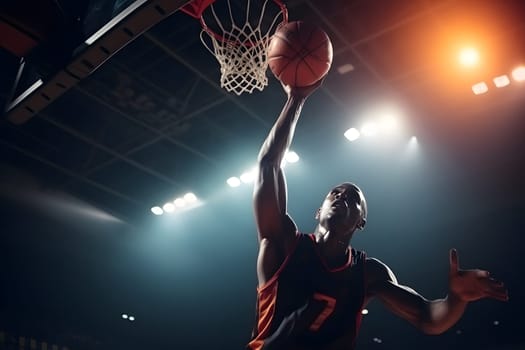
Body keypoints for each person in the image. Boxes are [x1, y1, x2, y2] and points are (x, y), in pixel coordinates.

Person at [247, 81, 509, 350]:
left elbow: (428, 317)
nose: (341, 196)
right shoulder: (285, 243)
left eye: (353, 198)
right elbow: (269, 164)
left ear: (361, 221)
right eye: (335, 193)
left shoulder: (367, 273)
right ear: (318, 211)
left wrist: (456, 299)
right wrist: (296, 99)